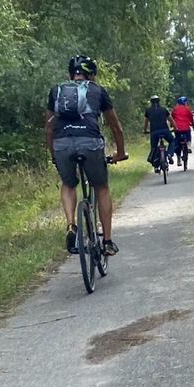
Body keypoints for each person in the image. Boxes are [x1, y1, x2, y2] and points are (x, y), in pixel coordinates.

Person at [45, 54, 126, 256]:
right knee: (101, 187)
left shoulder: (57, 91)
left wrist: (53, 153)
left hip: (62, 142)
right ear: (92, 75)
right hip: (89, 141)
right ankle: (107, 241)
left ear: (71, 74)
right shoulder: (98, 90)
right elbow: (116, 127)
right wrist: (120, 153)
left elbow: (48, 128)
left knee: (68, 183)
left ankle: (71, 225)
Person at [143, 95, 175, 170]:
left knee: (153, 147)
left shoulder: (148, 110)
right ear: (159, 101)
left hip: (154, 132)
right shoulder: (164, 109)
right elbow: (171, 120)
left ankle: (155, 165)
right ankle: (169, 154)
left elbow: (145, 122)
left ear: (151, 102)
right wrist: (175, 128)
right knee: (172, 140)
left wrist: (144, 130)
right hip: (165, 130)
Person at [171, 95, 194, 166]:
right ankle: (188, 145)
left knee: (177, 142)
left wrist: (172, 125)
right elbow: (191, 118)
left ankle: (178, 159)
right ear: (185, 102)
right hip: (186, 128)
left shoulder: (175, 109)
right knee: (188, 135)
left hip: (177, 128)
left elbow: (172, 118)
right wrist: (193, 125)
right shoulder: (187, 109)